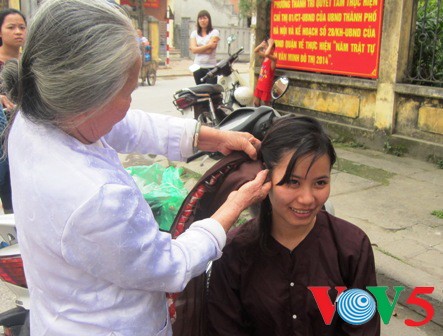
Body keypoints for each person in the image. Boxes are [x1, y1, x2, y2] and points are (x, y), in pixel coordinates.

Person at [1, 0, 271, 335]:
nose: (131, 103)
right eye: (127, 93)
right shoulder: (94, 197)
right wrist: (232, 206)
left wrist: (209, 137)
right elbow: (170, 265)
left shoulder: (35, 114)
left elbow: (123, 125)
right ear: (86, 98)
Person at [206, 116, 380, 335]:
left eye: (320, 183)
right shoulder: (233, 251)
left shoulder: (352, 247)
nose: (307, 199)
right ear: (264, 178)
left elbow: (362, 328)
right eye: (292, 182)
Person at [0, 8, 26, 214]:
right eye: (11, 27)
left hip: (26, 131)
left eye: (22, 27)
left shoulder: (30, 63)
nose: (18, 32)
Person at [189, 10, 220, 85]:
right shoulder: (194, 33)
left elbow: (210, 51)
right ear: (198, 20)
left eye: (205, 18)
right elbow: (193, 50)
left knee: (211, 92)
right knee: (200, 92)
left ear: (209, 20)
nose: (202, 20)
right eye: (200, 18)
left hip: (211, 67)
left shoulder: (214, 32)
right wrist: (209, 45)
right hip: (197, 67)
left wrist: (197, 48)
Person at [253, 37, 277, 107]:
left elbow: (267, 54)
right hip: (260, 84)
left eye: (266, 48)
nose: (264, 50)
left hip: (266, 86)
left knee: (266, 104)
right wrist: (261, 45)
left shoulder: (273, 59)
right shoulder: (266, 57)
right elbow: (256, 51)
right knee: (256, 102)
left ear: (272, 49)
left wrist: (270, 44)